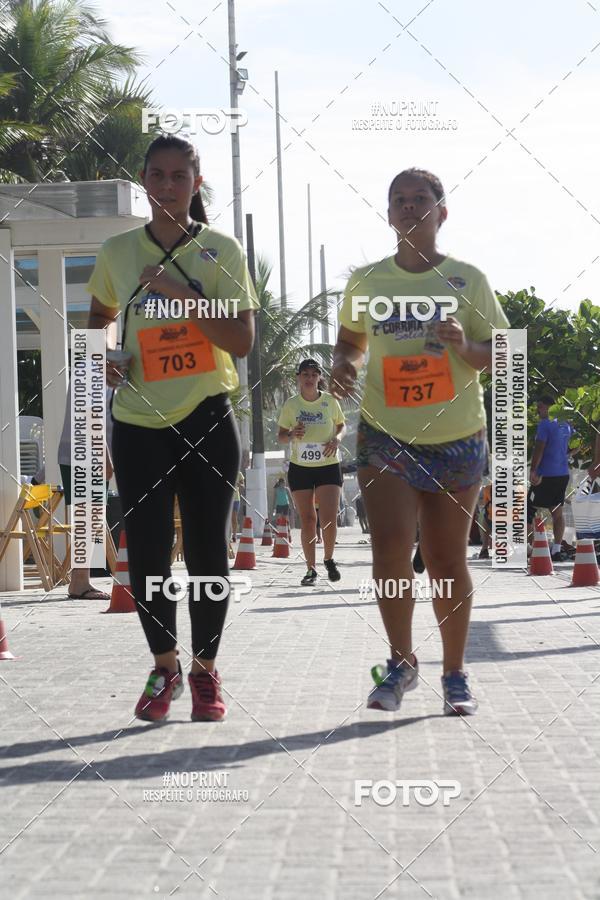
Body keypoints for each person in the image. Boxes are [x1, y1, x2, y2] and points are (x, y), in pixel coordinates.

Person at [87, 134, 257, 722]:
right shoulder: (117, 252)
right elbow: (99, 321)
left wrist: (184, 296)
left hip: (207, 413)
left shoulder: (222, 251)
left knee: (210, 552)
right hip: (137, 421)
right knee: (150, 555)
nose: (166, 187)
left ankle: (207, 673)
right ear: (143, 180)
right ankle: (165, 668)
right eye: (156, 176)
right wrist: (104, 355)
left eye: (178, 177)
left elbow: (240, 342)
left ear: (197, 182)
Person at [331, 167, 509, 716]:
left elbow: (499, 355)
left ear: (441, 212)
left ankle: (454, 673)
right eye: (399, 201)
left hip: (456, 437)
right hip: (387, 434)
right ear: (389, 215)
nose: (410, 208)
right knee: (388, 549)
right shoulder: (366, 282)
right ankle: (402, 662)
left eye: (421, 199)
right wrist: (343, 366)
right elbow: (351, 344)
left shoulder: (468, 280)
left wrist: (465, 348)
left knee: (445, 558)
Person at [278, 358, 346, 585]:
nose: (309, 378)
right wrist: (291, 435)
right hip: (301, 468)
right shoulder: (291, 404)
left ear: (319, 378)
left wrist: (337, 438)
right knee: (308, 519)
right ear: (298, 378)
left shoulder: (329, 401)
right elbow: (281, 436)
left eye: (313, 374)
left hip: (328, 465)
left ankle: (328, 558)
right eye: (305, 374)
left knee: (328, 518)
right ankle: (310, 569)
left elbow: (341, 424)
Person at [58, 383, 114, 600]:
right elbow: (90, 415)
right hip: (84, 456)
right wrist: (105, 456)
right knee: (89, 519)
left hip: (86, 456)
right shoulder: (89, 369)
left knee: (92, 520)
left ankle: (80, 580)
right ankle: (79, 582)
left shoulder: (97, 370)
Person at [528, 395, 574, 561]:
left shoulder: (545, 424)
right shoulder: (566, 424)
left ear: (549, 407)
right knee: (557, 513)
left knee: (528, 510)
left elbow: (539, 448)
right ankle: (555, 550)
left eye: (540, 407)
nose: (538, 410)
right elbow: (576, 445)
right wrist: (565, 456)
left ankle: (525, 549)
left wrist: (533, 470)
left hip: (544, 476)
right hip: (562, 475)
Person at [231, 471, 244, 541]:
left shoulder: (239, 473)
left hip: (236, 499)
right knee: (229, 518)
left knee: (234, 517)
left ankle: (234, 535)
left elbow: (243, 485)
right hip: (228, 499)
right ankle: (229, 534)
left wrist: (237, 483)